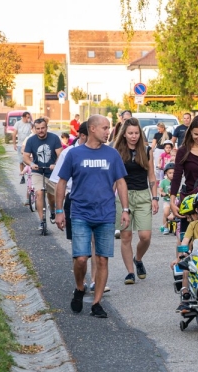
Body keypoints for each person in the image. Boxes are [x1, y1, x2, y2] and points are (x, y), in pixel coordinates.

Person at [54, 114, 130, 319]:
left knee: (102, 259)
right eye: (105, 128)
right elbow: (61, 183)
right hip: (80, 213)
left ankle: (96, 303)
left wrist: (125, 209)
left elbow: (121, 183)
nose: (108, 131)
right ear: (93, 129)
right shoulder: (74, 154)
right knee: (80, 258)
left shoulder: (112, 154)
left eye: (108, 128)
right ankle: (80, 288)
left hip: (105, 214)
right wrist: (59, 211)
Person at [50, 122, 110, 294]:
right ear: (84, 135)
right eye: (103, 129)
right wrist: (58, 210)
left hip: (99, 205)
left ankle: (94, 280)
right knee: (80, 250)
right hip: (74, 202)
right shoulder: (69, 153)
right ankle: (80, 282)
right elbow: (57, 182)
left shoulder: (104, 152)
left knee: (96, 245)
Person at [112, 118, 159, 285]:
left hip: (143, 195)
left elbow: (151, 176)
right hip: (123, 196)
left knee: (145, 236)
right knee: (126, 236)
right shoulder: (116, 151)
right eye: (130, 133)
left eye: (136, 133)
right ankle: (130, 272)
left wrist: (154, 197)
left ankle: (138, 259)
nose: (133, 136)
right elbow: (113, 178)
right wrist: (110, 198)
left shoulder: (147, 150)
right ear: (124, 134)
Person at [23, 117, 63, 233]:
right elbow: (25, 156)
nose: (40, 130)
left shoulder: (54, 138)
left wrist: (55, 164)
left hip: (52, 172)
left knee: (52, 196)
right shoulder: (31, 140)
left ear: (46, 128)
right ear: (34, 129)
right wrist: (31, 164)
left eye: (43, 128)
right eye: (38, 128)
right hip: (38, 171)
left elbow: (60, 154)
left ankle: (52, 210)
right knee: (39, 193)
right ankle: (42, 221)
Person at [12, 111, 33, 183]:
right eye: (27, 117)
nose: (28, 118)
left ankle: (30, 175)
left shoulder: (30, 124)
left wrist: (31, 123)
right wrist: (14, 144)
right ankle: (22, 176)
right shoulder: (18, 123)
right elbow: (14, 134)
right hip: (20, 145)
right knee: (21, 161)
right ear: (24, 117)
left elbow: (34, 131)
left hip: (29, 145)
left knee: (28, 160)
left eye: (29, 117)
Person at [159, 163, 175, 235]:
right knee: (166, 212)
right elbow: (159, 190)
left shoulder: (177, 181)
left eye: (173, 173)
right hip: (167, 201)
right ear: (166, 173)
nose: (172, 174)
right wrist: (162, 193)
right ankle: (165, 226)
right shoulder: (164, 182)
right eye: (170, 173)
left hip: (175, 201)